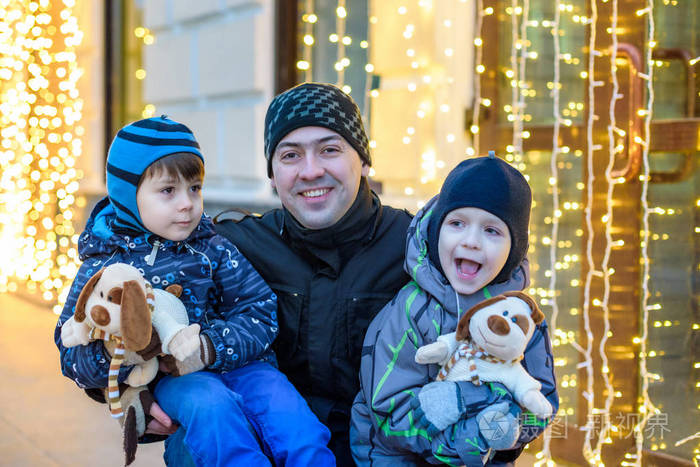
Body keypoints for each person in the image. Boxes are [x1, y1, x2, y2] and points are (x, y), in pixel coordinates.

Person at [212, 83, 556, 465]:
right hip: (276, 451)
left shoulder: (422, 252)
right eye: (291, 155)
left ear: (363, 160)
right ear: (272, 174)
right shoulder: (237, 246)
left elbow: (516, 376)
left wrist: (488, 434)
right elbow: (155, 281)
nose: (311, 171)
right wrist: (155, 395)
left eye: (330, 150)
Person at [55, 116, 334, 466]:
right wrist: (128, 358)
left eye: (195, 188)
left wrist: (210, 347)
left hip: (245, 366)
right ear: (127, 195)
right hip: (178, 379)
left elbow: (260, 309)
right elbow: (71, 351)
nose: (187, 203)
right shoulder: (103, 265)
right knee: (214, 416)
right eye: (168, 191)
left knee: (297, 426)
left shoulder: (212, 247)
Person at [349, 154, 558, 466]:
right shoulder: (410, 310)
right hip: (400, 457)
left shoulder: (521, 317)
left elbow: (543, 402)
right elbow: (389, 410)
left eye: (492, 231)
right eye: (457, 223)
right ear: (436, 233)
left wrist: (503, 429)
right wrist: (464, 438)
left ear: (513, 250)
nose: (471, 241)